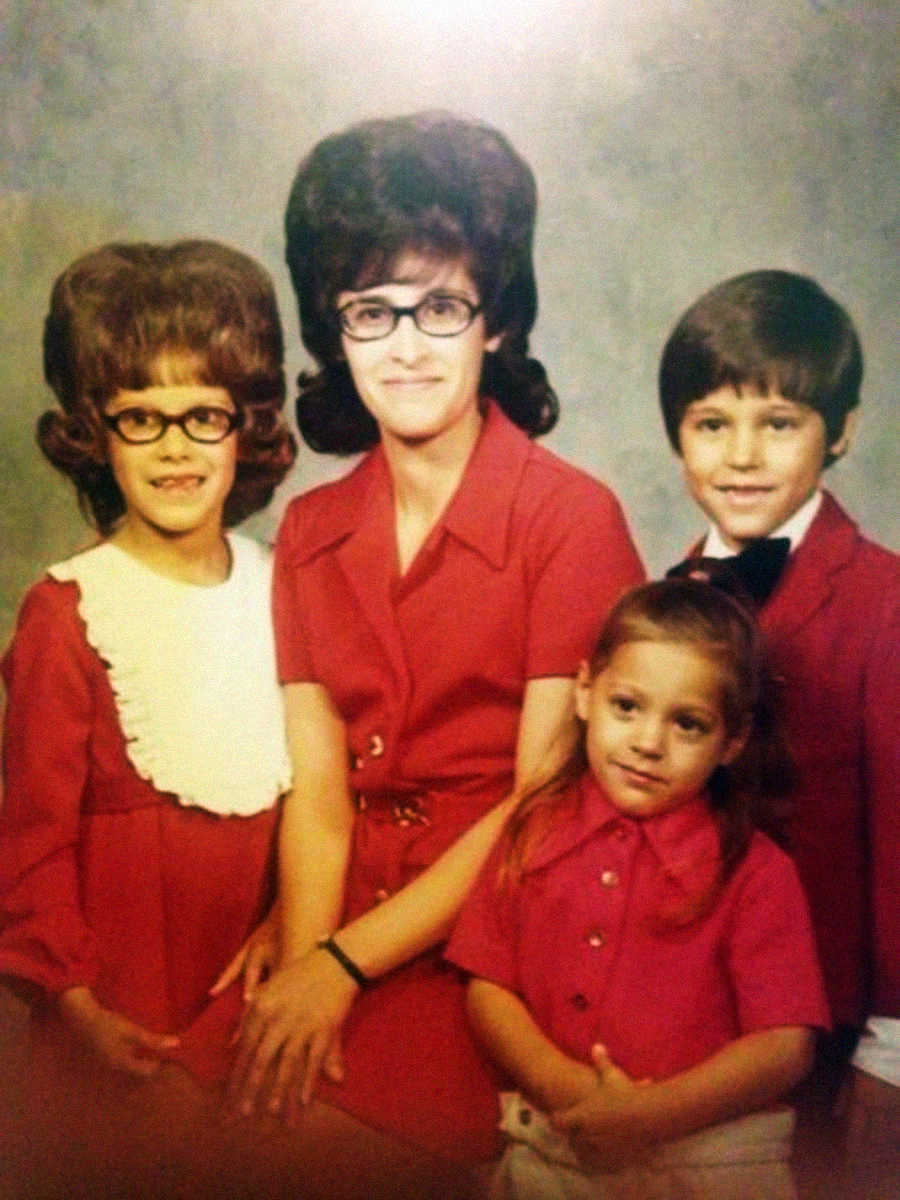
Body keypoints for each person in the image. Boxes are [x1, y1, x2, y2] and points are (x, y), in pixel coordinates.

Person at [221, 112, 645, 1177]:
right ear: (336, 329)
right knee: (218, 1117)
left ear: (495, 322)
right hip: (346, 913)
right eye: (372, 311)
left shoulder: (570, 519)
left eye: (441, 306)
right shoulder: (312, 533)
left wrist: (343, 970)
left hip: (491, 940)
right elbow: (319, 796)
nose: (405, 345)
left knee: (328, 1159)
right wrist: (304, 980)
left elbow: (543, 800)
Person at [0, 240, 296, 1192]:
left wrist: (295, 916)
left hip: (250, 993)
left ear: (245, 428)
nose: (175, 447)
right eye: (141, 418)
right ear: (97, 433)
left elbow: (331, 800)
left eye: (203, 415)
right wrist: (76, 1003)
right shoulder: (68, 609)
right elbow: (32, 842)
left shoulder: (288, 588)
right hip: (113, 1000)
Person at [447, 577, 829, 1200]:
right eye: (627, 707)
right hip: (554, 1142)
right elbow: (488, 986)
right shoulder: (532, 831)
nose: (649, 744)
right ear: (584, 694)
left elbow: (785, 1047)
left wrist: (650, 1117)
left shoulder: (757, 871)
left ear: (732, 741)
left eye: (688, 724)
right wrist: (568, 1090)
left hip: (711, 1162)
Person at [657, 269, 900, 1197]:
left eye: (780, 423)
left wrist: (891, 1044)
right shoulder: (665, 599)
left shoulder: (884, 600)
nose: (743, 456)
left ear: (839, 432)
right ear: (678, 436)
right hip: (690, 1018)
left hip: (835, 1034)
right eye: (713, 424)